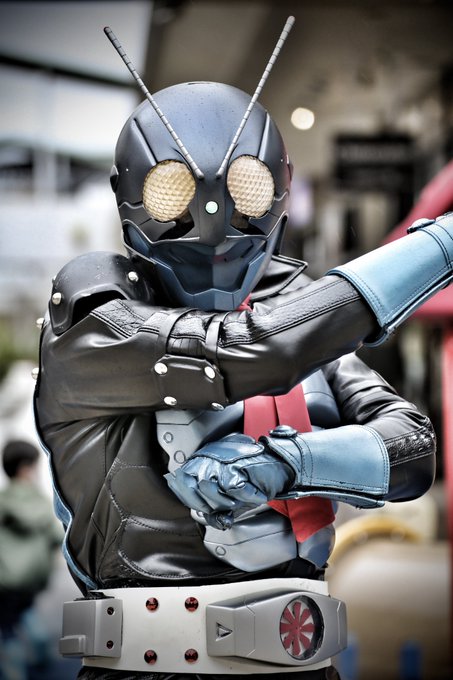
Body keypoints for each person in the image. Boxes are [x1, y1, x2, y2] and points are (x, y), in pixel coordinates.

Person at [32, 23, 453, 680]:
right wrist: (441, 245)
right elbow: (249, 352)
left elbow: (412, 448)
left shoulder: (297, 311)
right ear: (131, 194)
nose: (212, 219)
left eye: (245, 188)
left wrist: (289, 462)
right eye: (173, 191)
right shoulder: (94, 316)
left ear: (275, 186)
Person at [0, 439, 63, 680]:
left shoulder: (3, 500)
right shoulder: (42, 502)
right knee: (28, 613)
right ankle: (41, 655)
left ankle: (14, 674)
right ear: (27, 467)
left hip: (5, 581)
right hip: (32, 580)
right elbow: (58, 537)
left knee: (8, 630)